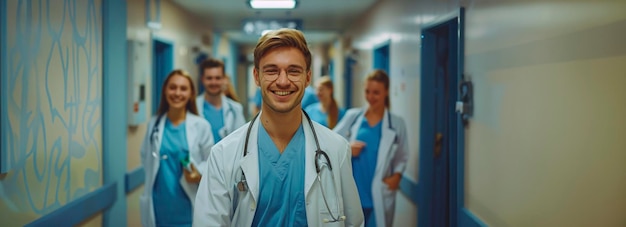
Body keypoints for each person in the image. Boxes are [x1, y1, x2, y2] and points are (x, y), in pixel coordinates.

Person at [193, 28, 364, 226]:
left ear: (308, 78)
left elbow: (354, 222)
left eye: (293, 71)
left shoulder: (336, 149)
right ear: (257, 77)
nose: (283, 81)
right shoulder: (223, 154)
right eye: (272, 71)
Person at [333, 69, 409, 227]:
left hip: (380, 194)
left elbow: (402, 155)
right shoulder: (352, 117)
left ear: (386, 91)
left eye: (376, 92)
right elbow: (330, 143)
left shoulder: (396, 124)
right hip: (354, 192)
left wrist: (397, 176)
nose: (370, 97)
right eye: (367, 91)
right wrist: (348, 148)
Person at [139, 69, 214, 227]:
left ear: (191, 93)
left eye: (183, 88)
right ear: (165, 90)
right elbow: (145, 157)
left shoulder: (201, 126)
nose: (177, 93)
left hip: (187, 207)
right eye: (172, 87)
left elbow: (212, 163)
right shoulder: (154, 124)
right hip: (158, 206)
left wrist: (198, 173)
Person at [196, 58, 246, 144]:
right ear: (202, 79)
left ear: (223, 79)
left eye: (217, 78)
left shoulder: (235, 109)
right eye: (209, 78)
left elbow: (242, 141)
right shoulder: (193, 106)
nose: (213, 82)